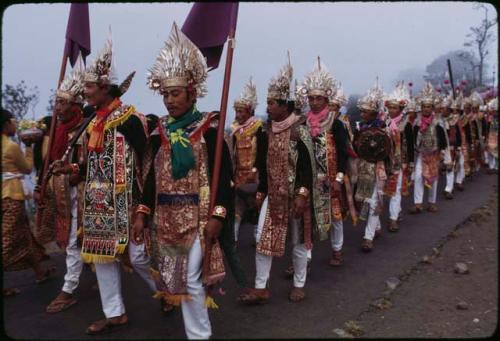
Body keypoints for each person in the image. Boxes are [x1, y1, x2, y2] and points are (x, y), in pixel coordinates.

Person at [53, 36, 156, 334]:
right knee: (103, 259)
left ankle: (167, 293)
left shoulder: (131, 119)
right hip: (99, 203)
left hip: (129, 200)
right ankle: (114, 313)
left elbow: (147, 164)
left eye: (88, 87)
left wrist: (143, 207)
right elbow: (94, 165)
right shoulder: (93, 121)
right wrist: (71, 166)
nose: (84, 93)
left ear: (105, 88)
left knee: (137, 258)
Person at [139, 23, 232, 339]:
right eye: (164, 94)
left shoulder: (209, 129)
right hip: (165, 220)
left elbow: (224, 177)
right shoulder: (160, 131)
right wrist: (142, 211)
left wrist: (218, 214)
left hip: (198, 217)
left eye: (175, 93)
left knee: (192, 279)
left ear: (191, 92)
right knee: (174, 280)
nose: (168, 101)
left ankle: (199, 336)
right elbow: (152, 175)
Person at [238, 55, 317, 304]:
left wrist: (303, 195)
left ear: (285, 105)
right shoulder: (265, 131)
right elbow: (261, 164)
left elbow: (307, 167)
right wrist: (260, 193)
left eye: (272, 103)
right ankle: (261, 287)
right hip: (273, 196)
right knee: (263, 238)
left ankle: (299, 284)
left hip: (296, 196)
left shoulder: (300, 129)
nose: (268, 107)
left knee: (299, 241)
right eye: (268, 103)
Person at [42, 57, 89, 313]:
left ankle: (68, 290)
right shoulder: (58, 130)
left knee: (79, 243)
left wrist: (71, 173)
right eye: (56, 101)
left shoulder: (84, 128)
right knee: (74, 243)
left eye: (62, 102)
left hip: (83, 196)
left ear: (76, 104)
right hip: (64, 195)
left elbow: (85, 166)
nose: (57, 107)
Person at [297, 58, 349, 266]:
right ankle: (305, 258)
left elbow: (344, 153)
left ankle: (337, 250)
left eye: (318, 98)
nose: (314, 102)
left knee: (335, 216)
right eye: (311, 98)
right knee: (307, 217)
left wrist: (338, 178)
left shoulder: (335, 124)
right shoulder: (302, 123)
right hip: (308, 178)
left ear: (326, 99)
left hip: (330, 177)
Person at [2, 108, 54, 296]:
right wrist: (30, 147)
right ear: (6, 124)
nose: (15, 125)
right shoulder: (11, 146)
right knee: (6, 241)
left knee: (25, 235)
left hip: (3, 194)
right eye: (12, 121)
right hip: (12, 196)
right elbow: (26, 169)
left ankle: (39, 272)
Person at [352, 82, 389, 252]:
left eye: (365, 112)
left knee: (374, 201)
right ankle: (377, 226)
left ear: (374, 113)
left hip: (378, 166)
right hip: (363, 166)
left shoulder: (384, 128)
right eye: (361, 111)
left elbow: (389, 149)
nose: (362, 114)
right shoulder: (360, 128)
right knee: (365, 199)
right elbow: (355, 147)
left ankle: (368, 238)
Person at [230, 78, 266, 247]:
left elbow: (262, 153)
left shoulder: (259, 128)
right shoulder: (234, 130)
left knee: (256, 207)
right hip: (238, 175)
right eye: (236, 111)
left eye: (241, 111)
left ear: (249, 111)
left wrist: (256, 169)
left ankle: (258, 239)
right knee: (236, 209)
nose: (238, 115)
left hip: (254, 175)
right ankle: (234, 240)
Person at [409, 82, 450, 214]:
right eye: (424, 106)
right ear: (421, 108)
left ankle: (432, 202)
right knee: (419, 177)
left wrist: (444, 154)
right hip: (421, 154)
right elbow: (413, 139)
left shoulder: (438, 122)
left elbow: (443, 139)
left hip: (434, 154)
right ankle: (418, 203)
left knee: (433, 178)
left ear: (432, 108)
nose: (426, 109)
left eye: (428, 106)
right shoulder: (417, 122)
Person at [382, 82, 414, 231]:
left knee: (395, 189)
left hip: (399, 161)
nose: (392, 110)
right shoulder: (384, 122)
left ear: (401, 109)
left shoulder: (406, 124)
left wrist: (410, 162)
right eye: (390, 107)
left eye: (395, 107)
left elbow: (411, 144)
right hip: (384, 161)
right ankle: (396, 211)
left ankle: (393, 219)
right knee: (383, 189)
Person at [485, 97, 498, 173]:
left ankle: (496, 167)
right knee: (490, 151)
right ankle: (491, 166)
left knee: (496, 152)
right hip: (491, 136)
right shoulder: (490, 119)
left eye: (496, 111)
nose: (494, 112)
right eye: (494, 111)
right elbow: (487, 127)